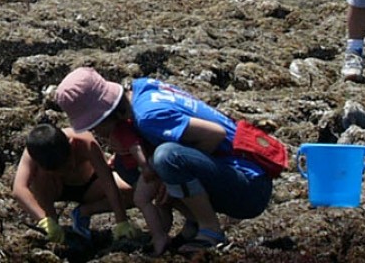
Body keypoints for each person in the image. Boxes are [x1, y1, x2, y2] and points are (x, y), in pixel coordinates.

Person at [55, 68, 274, 254]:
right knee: (127, 164)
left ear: (105, 113)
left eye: (94, 125)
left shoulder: (148, 116)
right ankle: (194, 221)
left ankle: (211, 230)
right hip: (229, 172)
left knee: (166, 158)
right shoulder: (141, 89)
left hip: (249, 187)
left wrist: (169, 176)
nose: (96, 132)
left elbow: (214, 134)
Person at [12, 124, 136, 249]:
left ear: (71, 144)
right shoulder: (33, 153)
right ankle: (53, 224)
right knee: (38, 177)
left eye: (67, 165)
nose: (64, 171)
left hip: (89, 186)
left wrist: (122, 221)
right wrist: (44, 220)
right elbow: (19, 189)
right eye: (57, 170)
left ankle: (83, 212)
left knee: (132, 193)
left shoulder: (84, 141)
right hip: (54, 189)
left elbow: (108, 182)